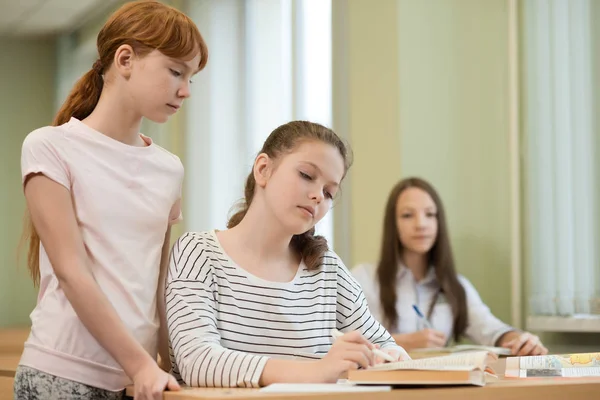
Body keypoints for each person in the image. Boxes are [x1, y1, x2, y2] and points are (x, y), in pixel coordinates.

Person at [14, 1, 208, 399]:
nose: (185, 90)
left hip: (136, 382)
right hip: (60, 377)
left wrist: (171, 367)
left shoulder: (168, 168)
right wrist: (140, 363)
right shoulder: (50, 147)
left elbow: (158, 282)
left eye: (191, 78)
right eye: (175, 71)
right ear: (125, 59)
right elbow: (72, 271)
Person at [166, 121, 409, 388]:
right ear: (263, 169)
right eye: (306, 175)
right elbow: (197, 361)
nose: (318, 196)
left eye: (329, 192)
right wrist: (318, 371)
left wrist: (390, 358)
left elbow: (385, 346)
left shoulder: (327, 269)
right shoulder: (197, 252)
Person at [352, 177, 548, 356]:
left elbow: (489, 328)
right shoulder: (363, 278)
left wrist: (521, 341)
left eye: (430, 214)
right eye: (407, 215)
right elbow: (335, 339)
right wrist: (398, 342)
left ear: (439, 222)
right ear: (392, 224)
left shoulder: (456, 286)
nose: (421, 224)